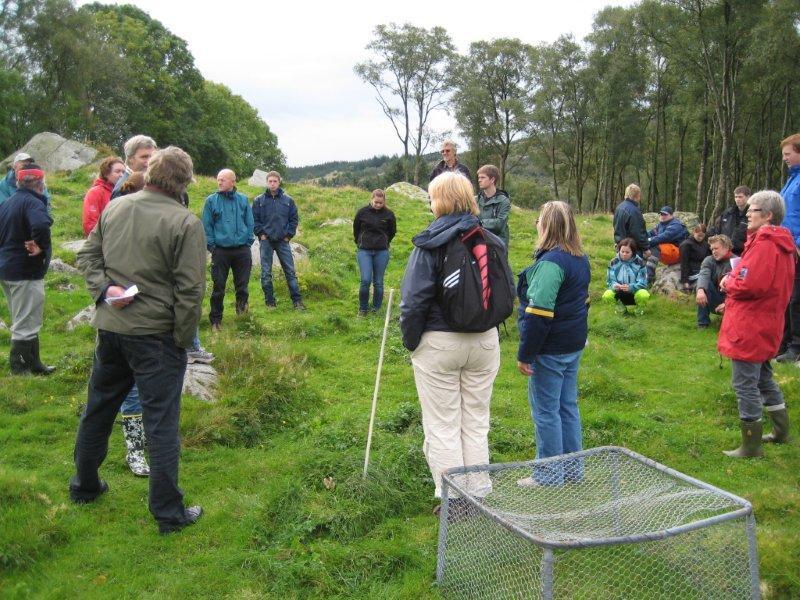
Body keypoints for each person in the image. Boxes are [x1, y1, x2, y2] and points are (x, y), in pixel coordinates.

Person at [71, 146, 207, 534]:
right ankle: (168, 512)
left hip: (111, 328)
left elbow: (87, 257)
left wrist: (105, 292)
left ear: (151, 174)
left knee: (99, 406)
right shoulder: (185, 222)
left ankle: (84, 486)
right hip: (156, 337)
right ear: (184, 182)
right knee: (161, 420)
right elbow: (190, 290)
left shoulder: (117, 206)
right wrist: (182, 340)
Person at [399, 172, 502, 508]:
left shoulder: (431, 242)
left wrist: (412, 341)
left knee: (443, 424)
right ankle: (480, 490)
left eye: (432, 197)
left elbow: (414, 300)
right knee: (475, 419)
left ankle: (454, 500)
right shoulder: (490, 239)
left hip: (439, 342)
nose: (430, 203)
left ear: (440, 200)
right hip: (485, 341)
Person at [517, 201, 590, 486]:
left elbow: (538, 314)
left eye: (539, 220)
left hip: (551, 348)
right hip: (572, 344)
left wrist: (527, 353)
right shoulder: (580, 258)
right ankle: (572, 472)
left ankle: (548, 475)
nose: (536, 223)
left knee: (547, 411)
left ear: (547, 225)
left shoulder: (551, 264)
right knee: (567, 407)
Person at [718, 190, 794, 458]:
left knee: (745, 384)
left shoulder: (765, 244)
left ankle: (751, 446)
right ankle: (781, 432)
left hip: (750, 325)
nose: (747, 214)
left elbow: (752, 284)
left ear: (768, 216)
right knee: (763, 377)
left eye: (754, 210)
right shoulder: (780, 244)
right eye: (748, 209)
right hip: (767, 323)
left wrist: (729, 282)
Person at [0, 163, 55, 375]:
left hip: (7, 269)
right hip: (25, 271)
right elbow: (41, 224)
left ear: (18, 181)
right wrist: (40, 245)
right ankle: (20, 369)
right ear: (41, 183)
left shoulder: (8, 203)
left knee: (24, 317)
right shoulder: (33, 203)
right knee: (26, 321)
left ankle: (35, 364)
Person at [202, 169, 254, 330]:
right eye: (218, 179)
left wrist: (248, 241)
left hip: (242, 250)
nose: (219, 182)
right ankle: (216, 321)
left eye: (223, 180)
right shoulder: (211, 201)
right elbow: (206, 225)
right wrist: (212, 246)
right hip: (221, 251)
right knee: (218, 286)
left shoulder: (243, 200)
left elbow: (250, 222)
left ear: (233, 181)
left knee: (243, 286)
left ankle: (242, 316)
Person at [252, 171, 305, 310]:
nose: (272, 183)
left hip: (283, 241)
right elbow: (254, 220)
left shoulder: (288, 200)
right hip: (266, 241)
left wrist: (288, 236)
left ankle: (297, 302)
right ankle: (270, 302)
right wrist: (261, 234)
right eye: (270, 181)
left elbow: (294, 219)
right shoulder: (259, 200)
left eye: (275, 181)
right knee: (265, 273)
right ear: (267, 182)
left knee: (290, 271)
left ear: (279, 182)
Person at [353, 189, 396, 316]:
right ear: (371, 199)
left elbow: (392, 231)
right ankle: (363, 309)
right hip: (364, 251)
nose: (378, 205)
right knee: (365, 280)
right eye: (376, 202)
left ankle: (376, 309)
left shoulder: (389, 215)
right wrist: (360, 242)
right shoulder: (362, 212)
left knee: (378, 282)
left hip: (381, 252)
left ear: (384, 202)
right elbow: (356, 229)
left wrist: (385, 242)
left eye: (381, 203)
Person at [776, 134, 800, 363]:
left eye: (788, 153)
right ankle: (784, 343)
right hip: (786, 247)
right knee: (786, 297)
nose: (784, 158)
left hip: (797, 247)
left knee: (796, 299)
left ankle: (796, 347)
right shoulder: (792, 179)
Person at [601, 238, 649, 313]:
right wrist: (615, 285)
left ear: (633, 252)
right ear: (619, 250)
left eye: (627, 252)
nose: (624, 254)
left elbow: (643, 282)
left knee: (643, 294)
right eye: (622, 251)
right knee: (607, 295)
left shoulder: (640, 263)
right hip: (618, 292)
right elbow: (609, 280)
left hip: (634, 291)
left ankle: (639, 310)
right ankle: (620, 309)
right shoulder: (613, 262)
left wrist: (631, 287)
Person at [82, 156, 126, 236]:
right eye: (117, 171)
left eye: (123, 172)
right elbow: (90, 223)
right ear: (106, 174)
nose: (121, 175)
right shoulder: (95, 192)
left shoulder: (124, 191)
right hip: (103, 241)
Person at [695, 234, 733, 329]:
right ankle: (702, 324)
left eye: (716, 248)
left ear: (726, 247)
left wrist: (728, 303)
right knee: (704, 285)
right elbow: (704, 274)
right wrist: (700, 290)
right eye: (712, 249)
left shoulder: (736, 262)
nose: (714, 252)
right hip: (715, 298)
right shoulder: (709, 260)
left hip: (731, 301)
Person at [645, 206, 689, 283]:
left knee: (654, 246)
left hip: (679, 253)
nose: (662, 216)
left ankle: (649, 277)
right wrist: (639, 237)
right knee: (643, 247)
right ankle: (641, 275)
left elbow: (663, 237)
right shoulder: (660, 225)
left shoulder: (676, 225)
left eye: (665, 214)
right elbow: (650, 233)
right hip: (669, 251)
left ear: (671, 215)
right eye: (661, 214)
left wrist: (647, 241)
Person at [476, 164, 510, 249]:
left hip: (497, 244)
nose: (479, 180)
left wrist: (479, 223)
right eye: (479, 178)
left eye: (483, 177)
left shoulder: (503, 200)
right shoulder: (475, 200)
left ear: (492, 179)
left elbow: (500, 224)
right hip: (478, 242)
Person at [708, 186, 750, 255]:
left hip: (743, 253)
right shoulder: (728, 213)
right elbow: (717, 229)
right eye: (736, 197)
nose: (737, 199)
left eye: (740, 197)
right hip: (725, 251)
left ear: (748, 197)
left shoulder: (753, 214)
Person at [612, 183, 649, 256]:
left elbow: (615, 225)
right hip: (632, 249)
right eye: (639, 196)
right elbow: (637, 232)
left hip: (621, 247)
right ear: (636, 196)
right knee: (634, 267)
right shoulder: (634, 211)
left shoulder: (619, 207)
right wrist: (645, 248)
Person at [678, 224, 710, 292]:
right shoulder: (686, 245)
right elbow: (684, 263)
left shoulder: (706, 245)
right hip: (692, 273)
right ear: (694, 232)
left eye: (702, 236)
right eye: (699, 235)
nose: (700, 238)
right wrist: (685, 281)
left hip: (703, 270)